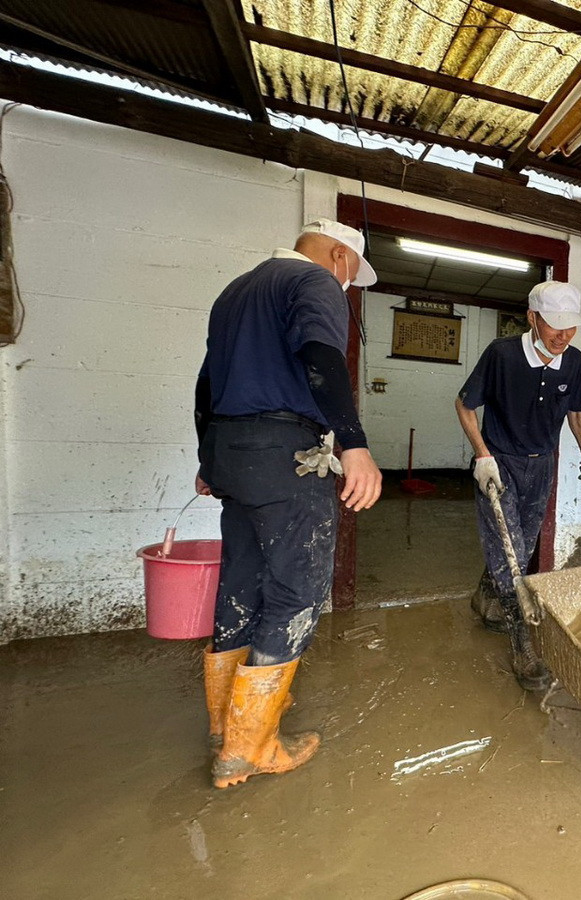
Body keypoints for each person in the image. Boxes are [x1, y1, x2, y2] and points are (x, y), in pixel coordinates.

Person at [194, 218, 383, 789]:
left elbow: (206, 383)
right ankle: (249, 747)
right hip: (282, 449)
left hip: (231, 450)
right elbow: (322, 357)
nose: (348, 287)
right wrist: (355, 444)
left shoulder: (237, 290)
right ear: (338, 256)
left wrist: (209, 457)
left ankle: (225, 720)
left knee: (243, 579)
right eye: (352, 274)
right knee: (297, 586)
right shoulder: (317, 283)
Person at [455, 281, 581, 691]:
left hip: (542, 468)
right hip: (498, 465)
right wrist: (482, 455)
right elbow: (465, 405)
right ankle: (523, 649)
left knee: (521, 546)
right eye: (555, 326)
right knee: (513, 559)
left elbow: (575, 413)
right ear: (532, 318)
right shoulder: (501, 354)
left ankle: (485, 596)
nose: (563, 336)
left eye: (571, 328)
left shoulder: (572, 361)